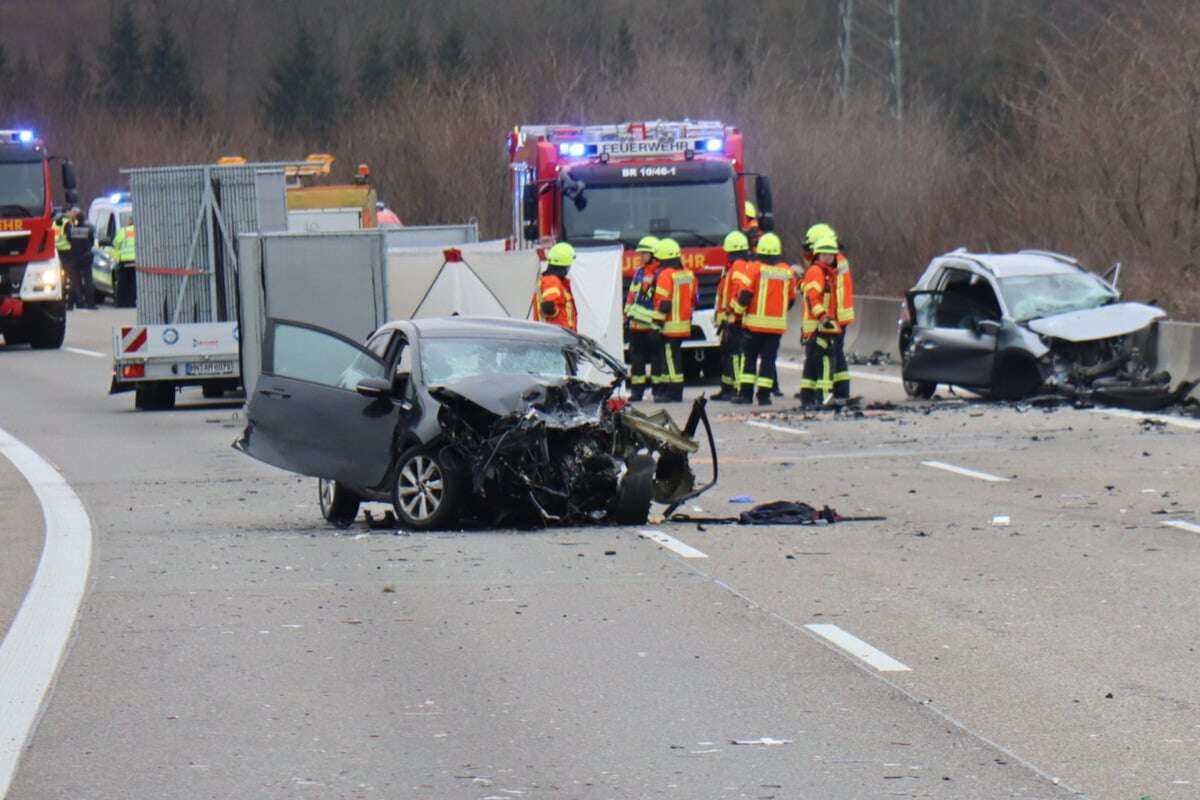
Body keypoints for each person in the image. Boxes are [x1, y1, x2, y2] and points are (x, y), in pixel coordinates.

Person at [732, 232, 795, 405]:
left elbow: (744, 295)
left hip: (754, 325)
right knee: (768, 360)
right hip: (776, 327)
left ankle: (745, 395)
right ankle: (764, 396)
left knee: (749, 359)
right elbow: (791, 299)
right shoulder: (787, 271)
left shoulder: (754, 268)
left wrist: (737, 313)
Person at [799, 234, 856, 406]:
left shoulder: (828, 273)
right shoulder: (817, 272)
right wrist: (823, 316)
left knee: (812, 363)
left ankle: (808, 397)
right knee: (823, 361)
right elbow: (812, 298)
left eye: (831, 255)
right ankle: (822, 396)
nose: (828, 258)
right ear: (817, 255)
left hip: (823, 325)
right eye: (824, 255)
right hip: (819, 326)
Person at [652, 238, 696, 402]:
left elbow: (663, 304)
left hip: (669, 326)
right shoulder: (688, 274)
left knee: (671, 359)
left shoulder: (665, 275)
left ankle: (674, 392)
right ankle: (666, 390)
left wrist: (656, 324)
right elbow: (693, 299)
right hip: (683, 324)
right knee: (671, 358)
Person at [713, 230, 753, 400]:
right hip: (727, 320)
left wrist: (733, 311)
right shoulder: (732, 267)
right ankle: (727, 387)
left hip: (734, 320)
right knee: (727, 354)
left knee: (734, 355)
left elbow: (741, 292)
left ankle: (736, 386)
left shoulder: (737, 266)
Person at [623, 235, 661, 401]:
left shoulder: (660, 273)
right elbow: (632, 294)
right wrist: (627, 314)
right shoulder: (639, 272)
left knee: (656, 359)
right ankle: (637, 391)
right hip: (637, 325)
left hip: (652, 325)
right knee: (636, 360)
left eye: (644, 253)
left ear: (653, 254)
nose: (641, 256)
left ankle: (658, 390)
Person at [532, 241, 577, 331]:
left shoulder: (549, 280)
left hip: (556, 336)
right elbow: (547, 307)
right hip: (558, 337)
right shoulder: (552, 281)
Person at [65, 208, 97, 309]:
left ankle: (73, 304)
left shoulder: (72, 230)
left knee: (75, 282)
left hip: (74, 257)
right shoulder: (89, 229)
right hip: (86, 257)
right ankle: (90, 304)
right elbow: (92, 242)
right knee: (88, 281)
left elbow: (69, 239)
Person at [111, 216, 137, 307]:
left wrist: (118, 254)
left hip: (124, 260)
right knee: (133, 283)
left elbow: (115, 243)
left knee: (122, 283)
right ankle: (132, 302)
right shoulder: (140, 230)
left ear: (130, 221)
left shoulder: (124, 230)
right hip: (136, 260)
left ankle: (121, 303)